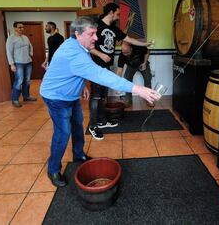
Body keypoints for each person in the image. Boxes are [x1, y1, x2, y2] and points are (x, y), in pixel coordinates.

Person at [40, 16, 160, 187]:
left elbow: (73, 70)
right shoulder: (72, 52)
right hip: (56, 97)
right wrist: (137, 89)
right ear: (78, 34)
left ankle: (78, 154)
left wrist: (81, 86)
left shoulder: (78, 45)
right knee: (63, 132)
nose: (96, 38)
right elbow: (101, 75)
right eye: (92, 34)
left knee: (78, 124)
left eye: (96, 33)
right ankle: (53, 169)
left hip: (71, 94)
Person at [88, 2, 150, 140]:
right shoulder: (96, 25)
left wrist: (145, 44)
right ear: (111, 12)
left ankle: (102, 121)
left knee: (103, 95)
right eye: (117, 12)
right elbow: (87, 46)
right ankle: (92, 125)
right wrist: (100, 54)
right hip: (95, 66)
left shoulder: (114, 29)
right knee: (96, 96)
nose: (118, 15)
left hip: (106, 67)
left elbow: (130, 40)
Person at [6, 22, 37, 108]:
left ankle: (26, 96)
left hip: (28, 62)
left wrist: (31, 53)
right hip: (18, 62)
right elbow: (9, 52)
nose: (22, 29)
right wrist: (11, 64)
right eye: (20, 27)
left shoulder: (25, 37)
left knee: (27, 81)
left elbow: (30, 46)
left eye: (22, 27)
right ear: (15, 28)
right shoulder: (11, 39)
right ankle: (15, 99)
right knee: (19, 81)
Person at [116, 41, 153, 107]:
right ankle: (128, 100)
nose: (126, 54)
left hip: (142, 63)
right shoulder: (122, 55)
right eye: (124, 52)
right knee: (127, 80)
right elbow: (119, 71)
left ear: (131, 48)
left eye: (127, 52)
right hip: (131, 66)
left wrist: (144, 63)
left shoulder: (138, 48)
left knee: (148, 80)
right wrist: (117, 82)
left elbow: (147, 51)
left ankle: (149, 100)